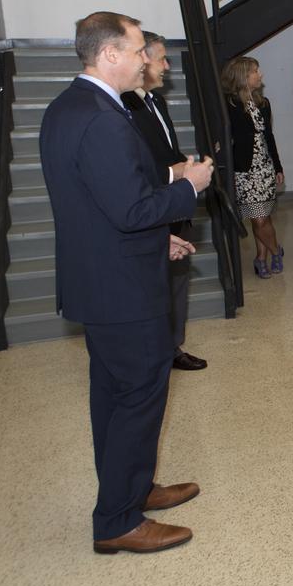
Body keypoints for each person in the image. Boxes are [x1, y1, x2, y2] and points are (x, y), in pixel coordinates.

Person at [40, 11, 213, 554]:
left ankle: (132, 490)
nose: (146, 59)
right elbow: (133, 205)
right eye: (140, 49)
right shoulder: (101, 119)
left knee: (113, 396)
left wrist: (157, 239)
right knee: (138, 395)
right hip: (122, 287)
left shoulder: (71, 106)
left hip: (105, 270)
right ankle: (117, 520)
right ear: (110, 54)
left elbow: (102, 203)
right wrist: (192, 187)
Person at [121, 32, 207, 372]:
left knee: (176, 280)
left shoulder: (157, 101)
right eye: (161, 60)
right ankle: (157, 350)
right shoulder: (127, 106)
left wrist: (184, 167)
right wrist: (176, 172)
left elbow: (164, 152)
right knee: (155, 285)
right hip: (153, 203)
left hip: (173, 202)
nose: (167, 66)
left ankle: (172, 346)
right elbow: (138, 166)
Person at [221, 57, 285, 280]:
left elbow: (269, 136)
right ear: (243, 76)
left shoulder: (263, 103)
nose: (261, 75)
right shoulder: (228, 104)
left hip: (265, 168)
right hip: (244, 171)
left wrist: (277, 166)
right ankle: (277, 251)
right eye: (256, 71)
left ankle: (261, 259)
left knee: (264, 217)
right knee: (258, 218)